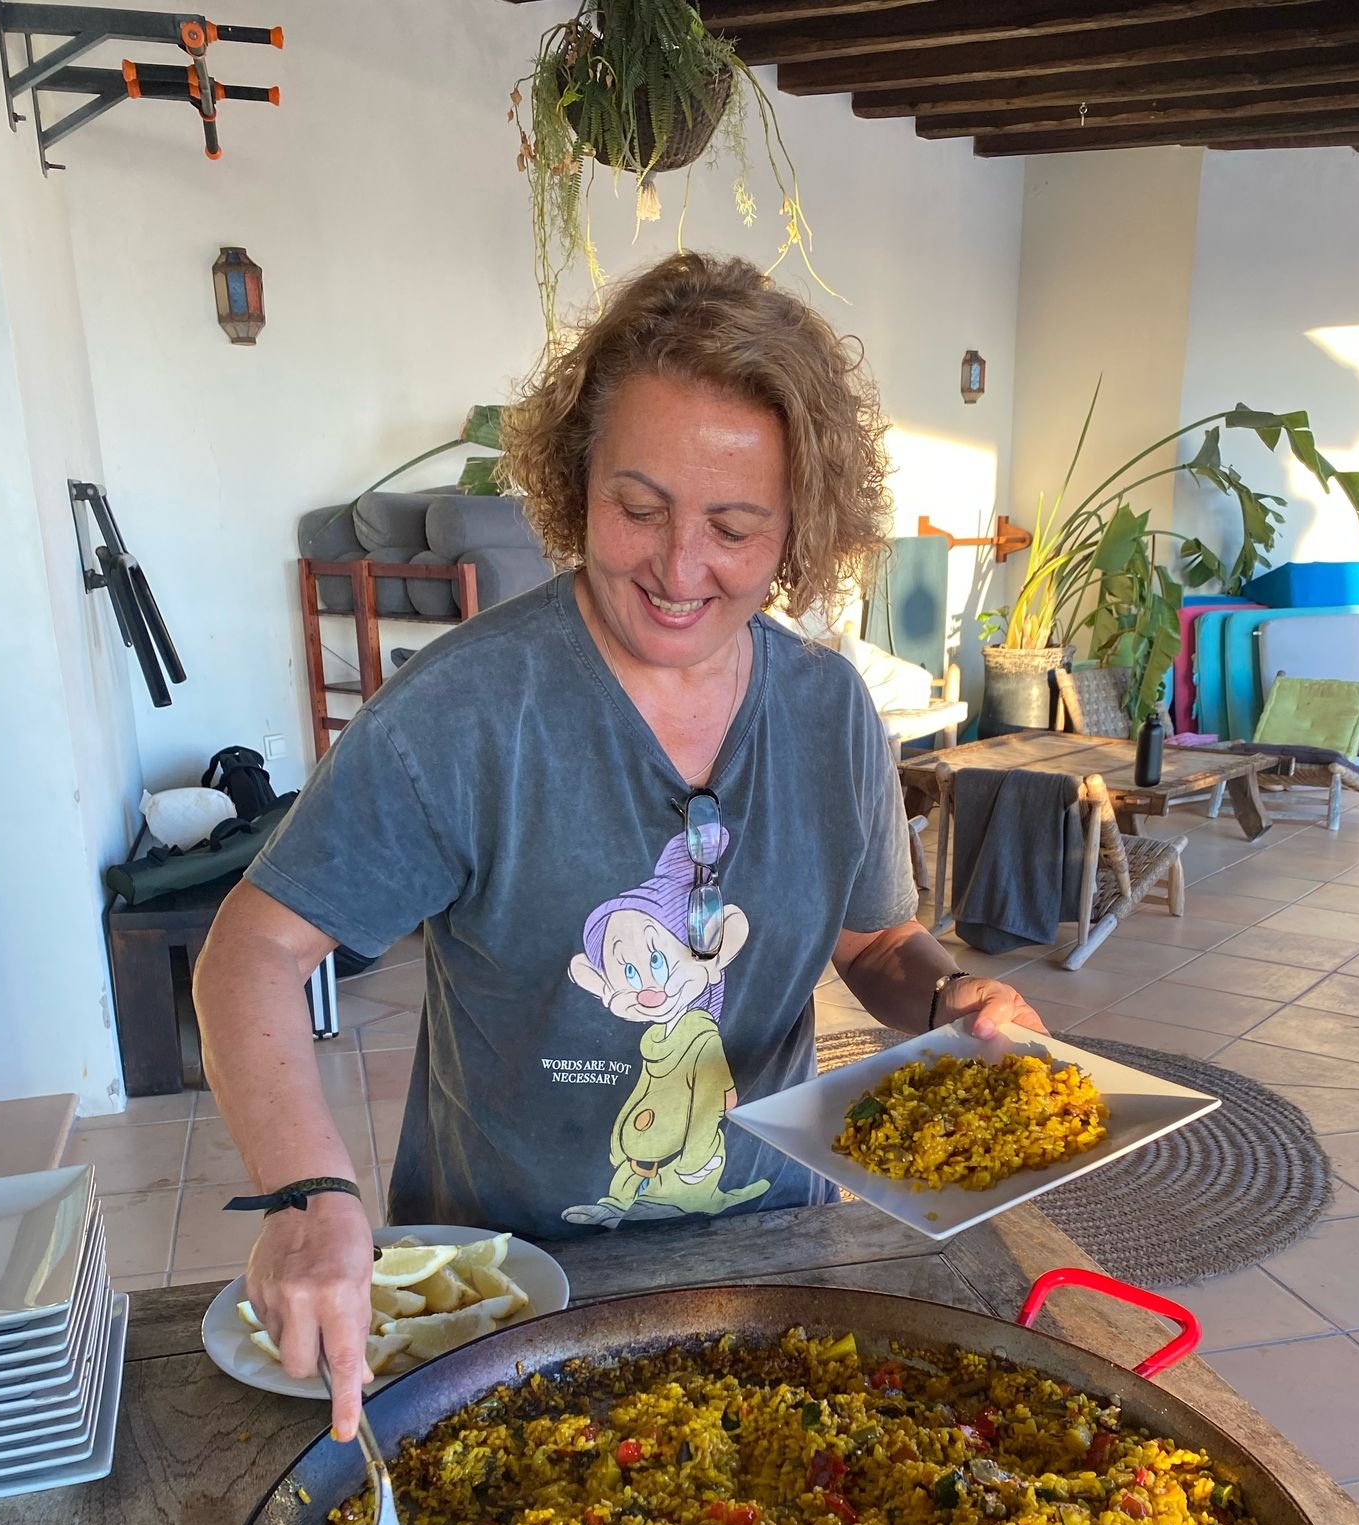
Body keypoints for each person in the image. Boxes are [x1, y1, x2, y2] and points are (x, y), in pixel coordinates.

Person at [193, 251, 1044, 1441]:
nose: (678, 568)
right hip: (504, 1287)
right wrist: (307, 1191)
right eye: (637, 507)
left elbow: (877, 939)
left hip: (769, 1258)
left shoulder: (827, 711)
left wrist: (954, 995)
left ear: (801, 527)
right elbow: (251, 953)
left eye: (735, 526)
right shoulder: (469, 712)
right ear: (574, 477)